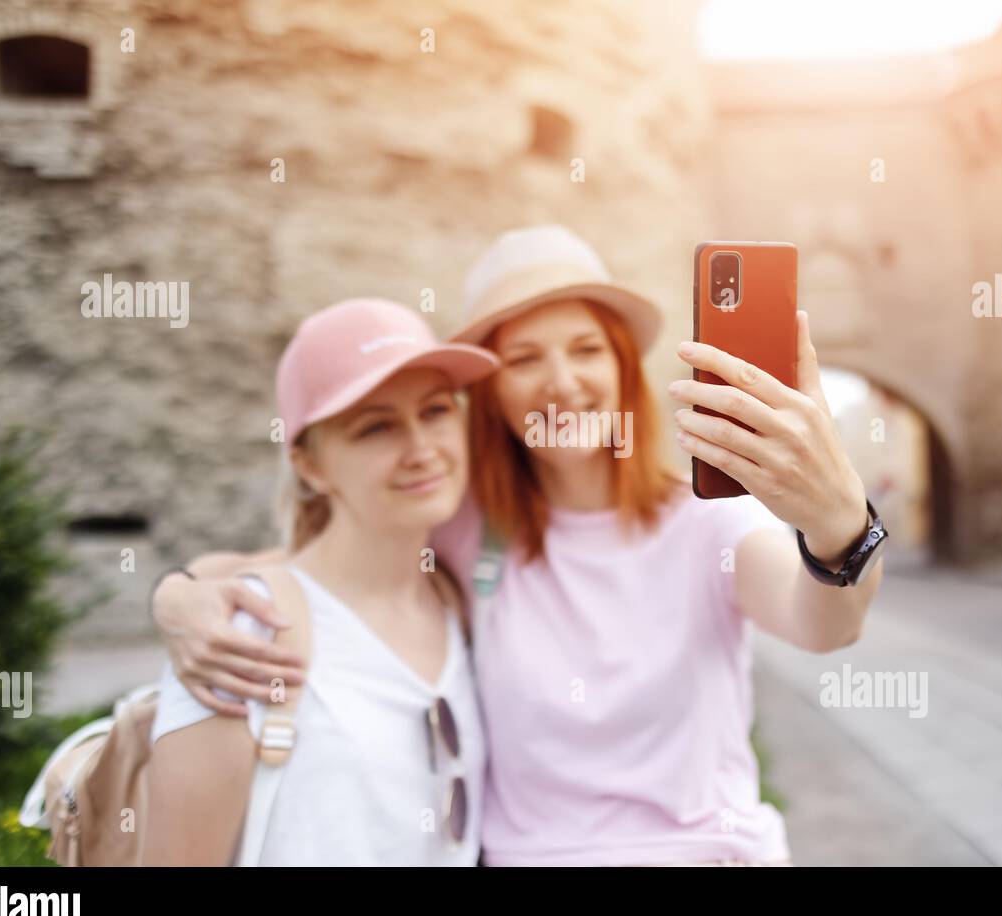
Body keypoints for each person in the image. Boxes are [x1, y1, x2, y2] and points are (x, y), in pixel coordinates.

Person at [151, 227, 885, 865]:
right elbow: (305, 568)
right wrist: (182, 594)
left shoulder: (705, 523)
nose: (562, 383)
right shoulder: (466, 526)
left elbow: (825, 624)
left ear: (622, 369)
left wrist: (839, 524)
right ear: (493, 394)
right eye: (526, 358)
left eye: (586, 349)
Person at [143, 298, 499, 865]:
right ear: (310, 465)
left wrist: (176, 586)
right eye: (376, 427)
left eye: (435, 411)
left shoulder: (454, 601)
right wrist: (178, 592)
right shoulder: (246, 631)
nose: (421, 449)